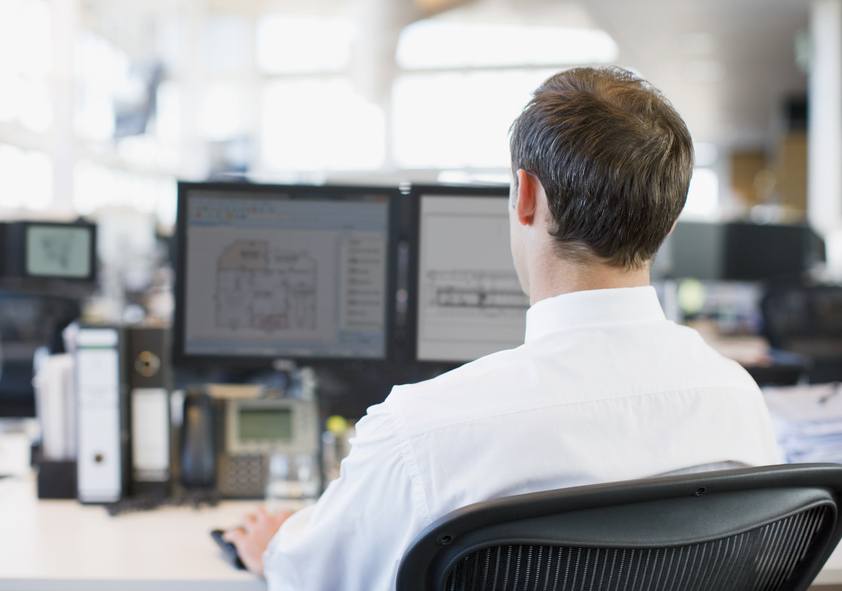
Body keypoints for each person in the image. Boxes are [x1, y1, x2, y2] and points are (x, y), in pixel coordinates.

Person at [223, 66, 782, 590]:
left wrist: (275, 548)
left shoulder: (421, 433)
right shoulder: (735, 398)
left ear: (528, 196)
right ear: (670, 212)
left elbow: (319, 575)